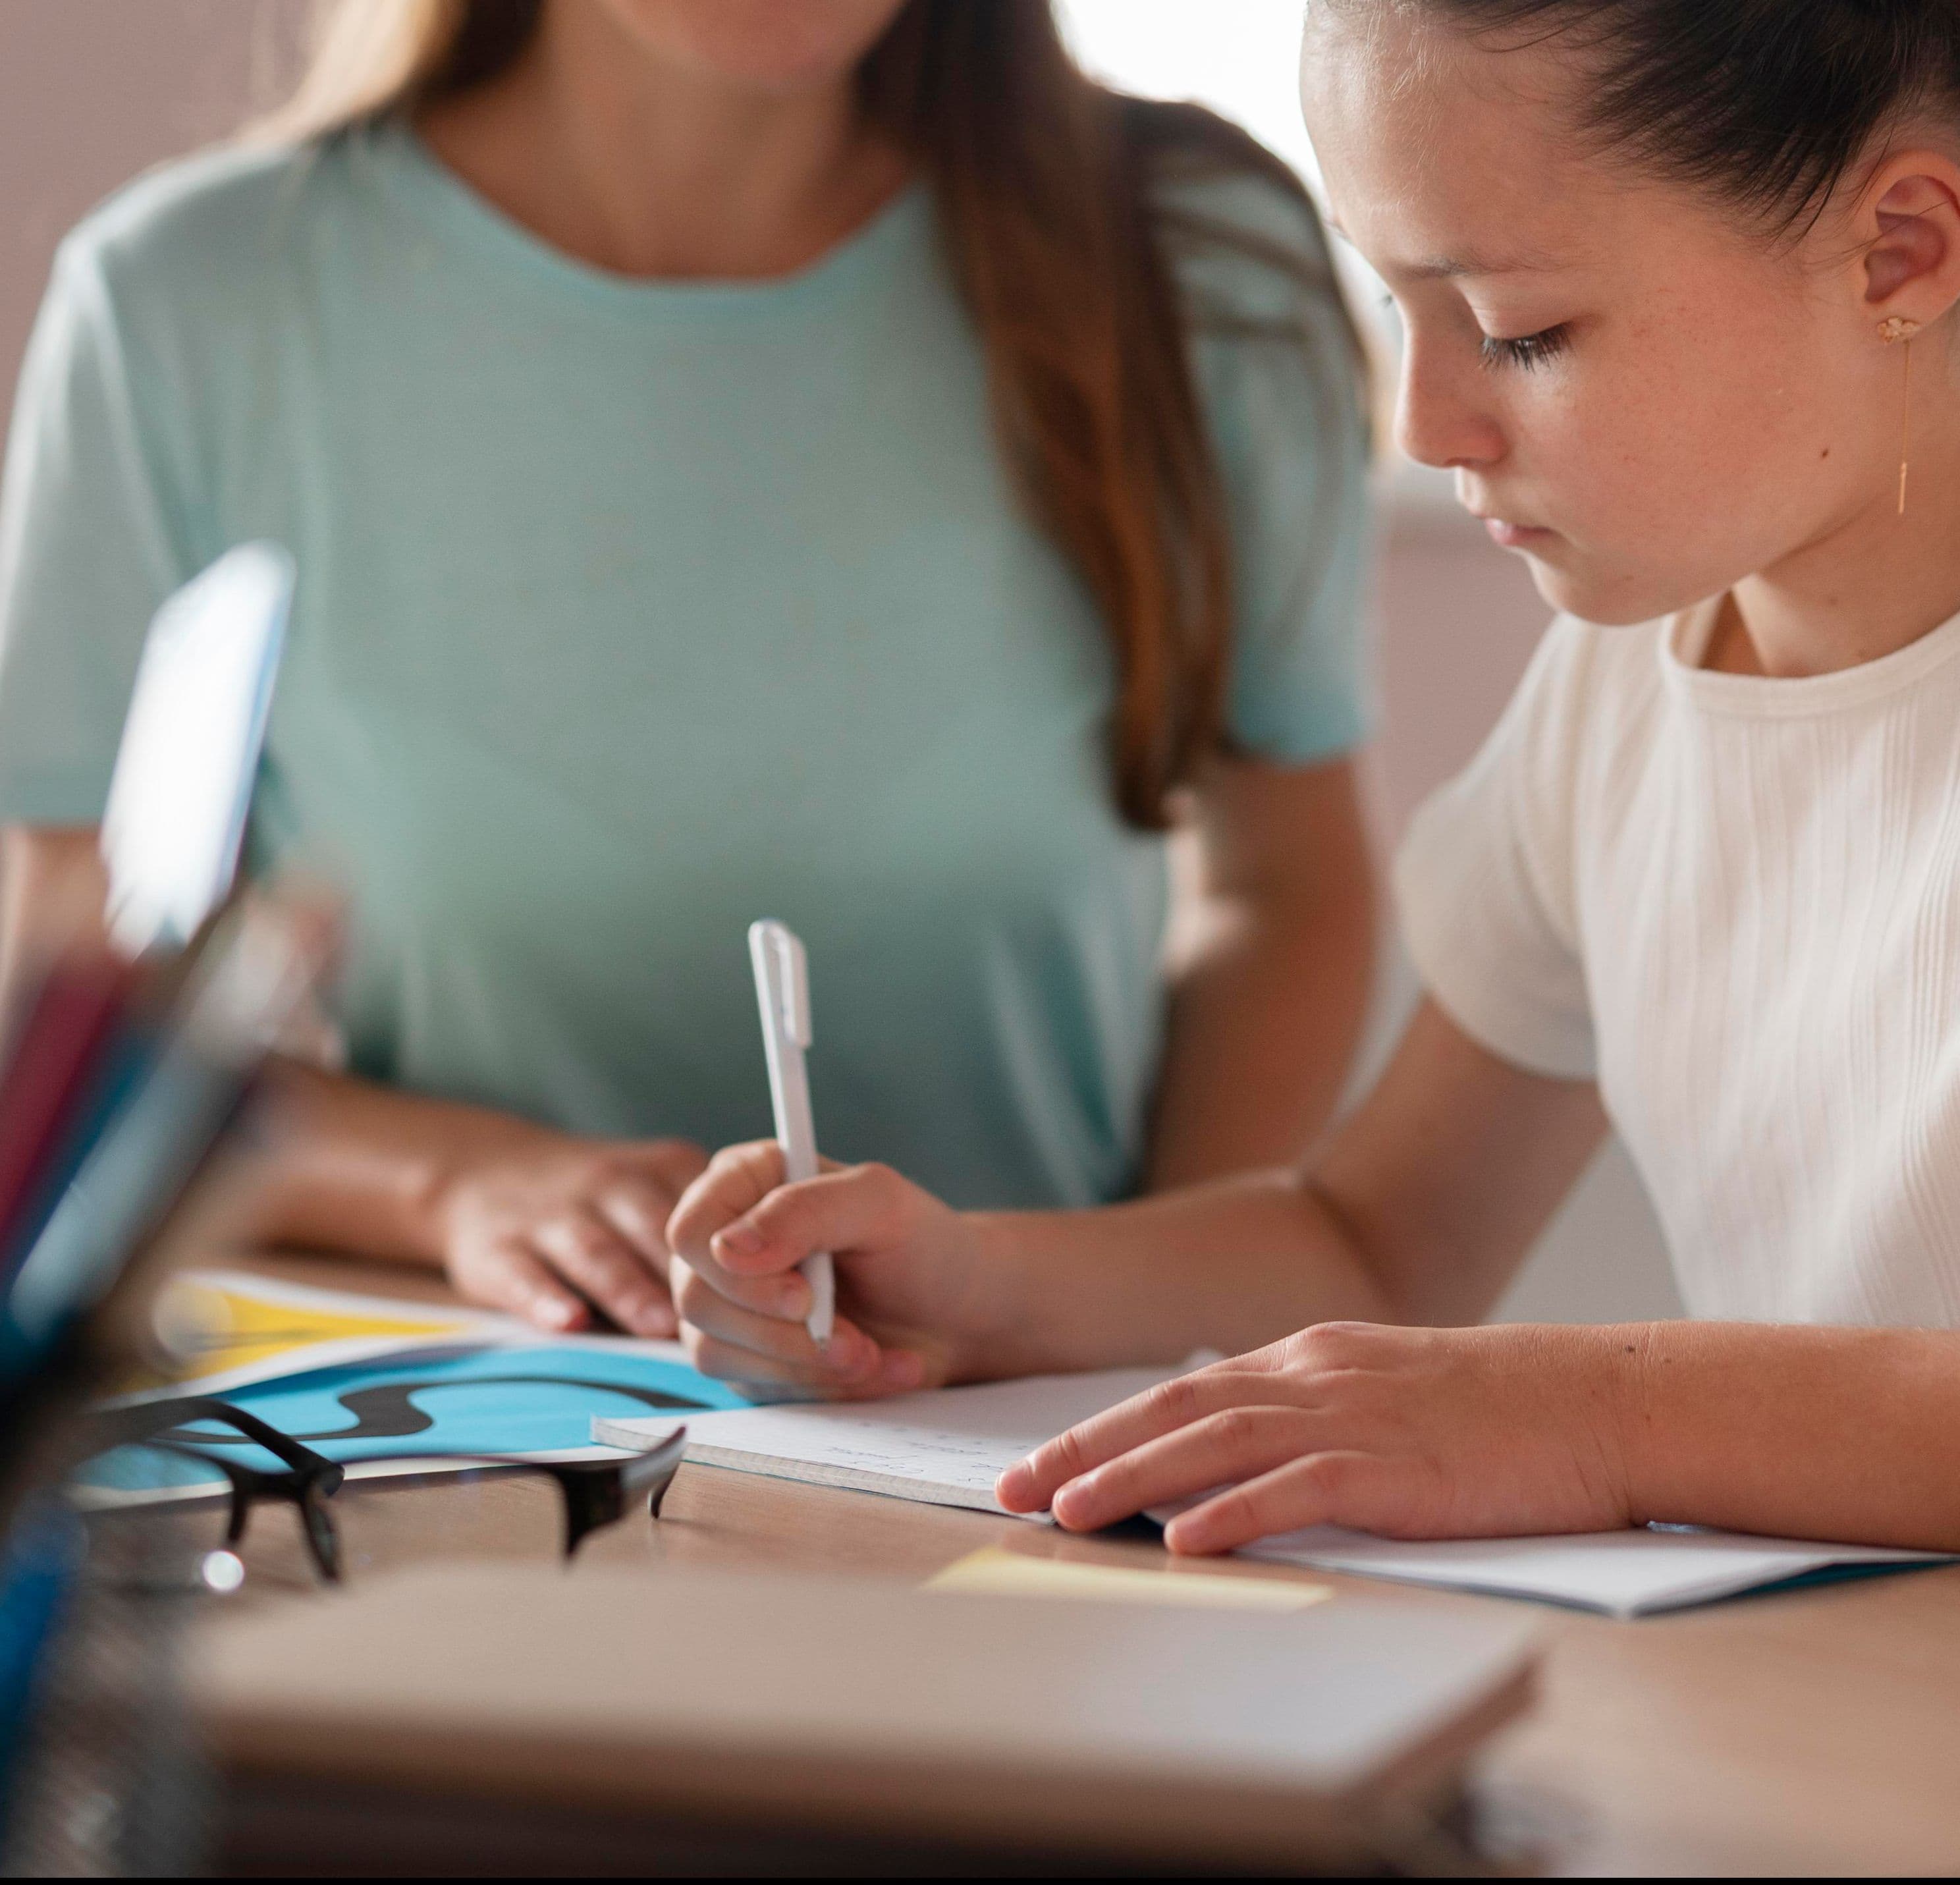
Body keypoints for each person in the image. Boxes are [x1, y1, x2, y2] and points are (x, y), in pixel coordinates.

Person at [667, 0, 1960, 1552]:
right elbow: (1379, 1239)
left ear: (1899, 250)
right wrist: (978, 1286)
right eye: (1397, 305)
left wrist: (1594, 1416)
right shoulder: (1630, 676)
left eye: (1519, 328)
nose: (1422, 425)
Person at [0, 0, 1376, 1349]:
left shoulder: (1196, 263)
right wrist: (448, 1182)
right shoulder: (182, 305)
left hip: (1046, 1448)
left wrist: (1126, 1310)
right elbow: (79, 1020)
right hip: (467, 1436)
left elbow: (1289, 889)